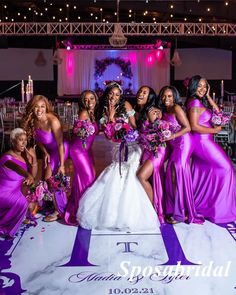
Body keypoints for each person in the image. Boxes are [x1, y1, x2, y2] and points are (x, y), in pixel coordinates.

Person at [77, 82, 159, 231]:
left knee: (131, 176)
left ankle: (137, 212)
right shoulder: (102, 112)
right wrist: (111, 118)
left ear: (120, 96)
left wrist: (127, 132)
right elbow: (108, 137)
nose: (114, 97)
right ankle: (113, 215)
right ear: (107, 94)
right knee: (116, 173)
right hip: (117, 148)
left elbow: (135, 126)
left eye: (117, 94)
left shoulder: (127, 105)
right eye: (111, 94)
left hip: (133, 146)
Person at [186, 75, 236, 223]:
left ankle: (205, 206)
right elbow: (194, 127)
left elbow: (218, 113)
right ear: (193, 87)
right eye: (199, 86)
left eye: (205, 86)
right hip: (202, 142)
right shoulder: (194, 102)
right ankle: (220, 210)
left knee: (208, 172)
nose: (202, 89)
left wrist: (208, 96)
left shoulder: (200, 101)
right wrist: (215, 131)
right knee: (227, 169)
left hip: (205, 141)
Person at [158, 86, 204, 224]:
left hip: (183, 142)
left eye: (170, 96)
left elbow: (188, 127)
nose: (166, 99)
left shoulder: (177, 108)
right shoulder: (165, 110)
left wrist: (171, 136)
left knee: (178, 171)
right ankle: (174, 209)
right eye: (164, 96)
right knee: (171, 174)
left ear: (175, 97)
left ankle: (182, 212)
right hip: (174, 143)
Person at [21, 95, 69, 222]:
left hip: (60, 149)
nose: (39, 109)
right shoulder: (33, 121)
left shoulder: (52, 121)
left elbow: (60, 143)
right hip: (49, 151)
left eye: (42, 106)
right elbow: (38, 138)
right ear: (32, 108)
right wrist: (45, 152)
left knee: (52, 178)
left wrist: (62, 165)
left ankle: (59, 209)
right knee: (44, 179)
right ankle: (49, 204)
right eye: (36, 107)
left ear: (46, 107)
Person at [64, 90, 99, 225]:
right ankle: (84, 211)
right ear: (83, 101)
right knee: (88, 178)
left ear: (95, 100)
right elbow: (77, 132)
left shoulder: (93, 114)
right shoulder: (84, 113)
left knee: (84, 178)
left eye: (91, 98)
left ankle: (80, 207)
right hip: (78, 150)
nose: (89, 101)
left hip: (87, 150)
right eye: (86, 99)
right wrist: (81, 131)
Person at [0, 128, 37, 238]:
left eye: (25, 140)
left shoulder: (24, 157)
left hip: (17, 190)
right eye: (20, 140)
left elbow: (33, 177)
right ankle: (4, 228)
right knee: (22, 203)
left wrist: (34, 159)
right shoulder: (6, 157)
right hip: (4, 193)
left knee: (34, 204)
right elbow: (16, 168)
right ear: (13, 141)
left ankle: (17, 217)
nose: (24, 143)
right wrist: (27, 174)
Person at [137, 106, 166, 224]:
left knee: (141, 176)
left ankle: (153, 210)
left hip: (158, 151)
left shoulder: (161, 123)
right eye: (151, 111)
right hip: (147, 150)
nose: (153, 113)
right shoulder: (145, 120)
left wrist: (156, 119)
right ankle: (149, 207)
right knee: (149, 178)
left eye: (155, 111)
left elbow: (162, 136)